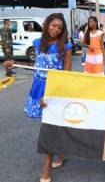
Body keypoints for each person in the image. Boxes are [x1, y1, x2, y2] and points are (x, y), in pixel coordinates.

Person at [6, 13, 72, 182]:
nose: (56, 30)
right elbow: (35, 65)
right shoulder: (37, 43)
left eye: (59, 27)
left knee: (48, 127)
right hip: (38, 88)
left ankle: (46, 170)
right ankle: (62, 152)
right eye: (53, 25)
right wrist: (13, 64)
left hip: (54, 90)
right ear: (46, 24)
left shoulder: (65, 46)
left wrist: (56, 93)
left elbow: (67, 74)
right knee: (52, 125)